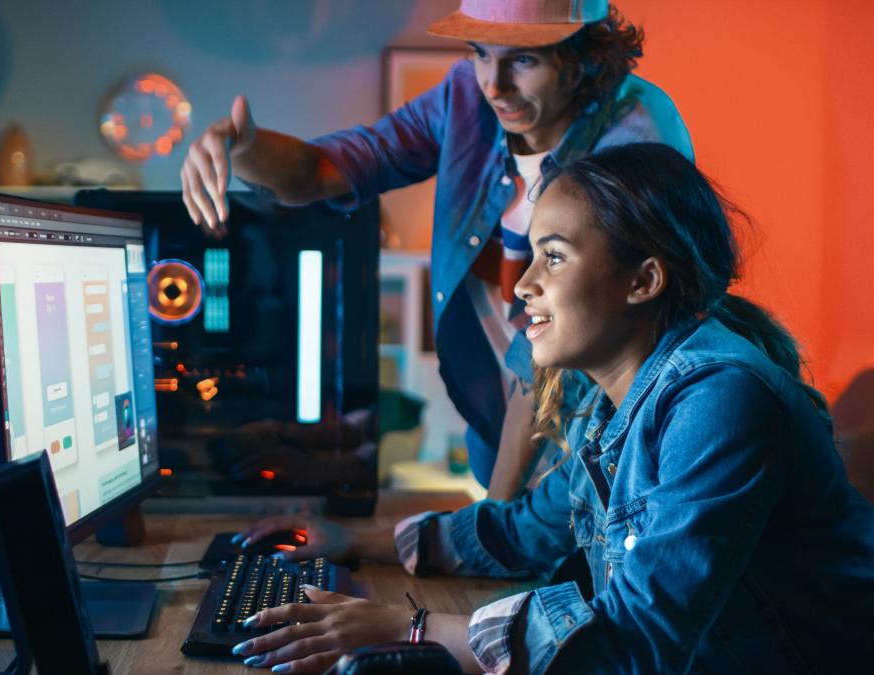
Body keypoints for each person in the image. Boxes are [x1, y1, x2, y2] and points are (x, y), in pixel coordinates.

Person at [226, 143, 874, 673]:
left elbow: (632, 643)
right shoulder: (608, 401)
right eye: (531, 253)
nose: (523, 284)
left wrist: (411, 626)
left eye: (553, 257)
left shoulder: (717, 401)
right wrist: (354, 540)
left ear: (643, 280)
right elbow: (526, 530)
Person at [180, 0, 693, 499]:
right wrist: (239, 149)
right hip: (501, 438)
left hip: (602, 452)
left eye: (523, 59)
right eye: (480, 53)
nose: (495, 85)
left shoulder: (636, 135)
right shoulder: (463, 101)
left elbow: (546, 361)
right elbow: (326, 169)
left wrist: (494, 520)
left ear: (584, 55)